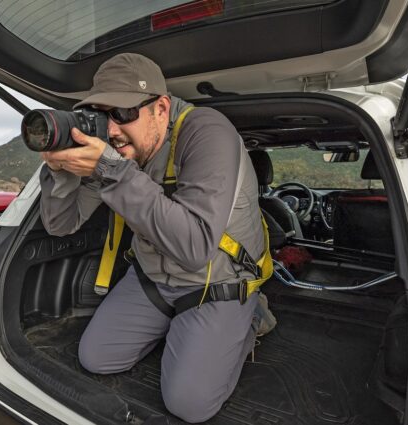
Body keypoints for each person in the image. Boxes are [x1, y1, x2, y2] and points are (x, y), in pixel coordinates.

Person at [38, 53, 269, 423]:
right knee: (96, 358)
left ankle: (251, 315)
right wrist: (60, 171)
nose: (111, 129)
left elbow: (195, 248)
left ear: (160, 108)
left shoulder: (206, 132)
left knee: (188, 405)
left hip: (215, 282)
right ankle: (183, 327)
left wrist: (113, 170)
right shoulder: (119, 146)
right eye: (102, 114)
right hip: (153, 277)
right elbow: (61, 224)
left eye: (123, 113)